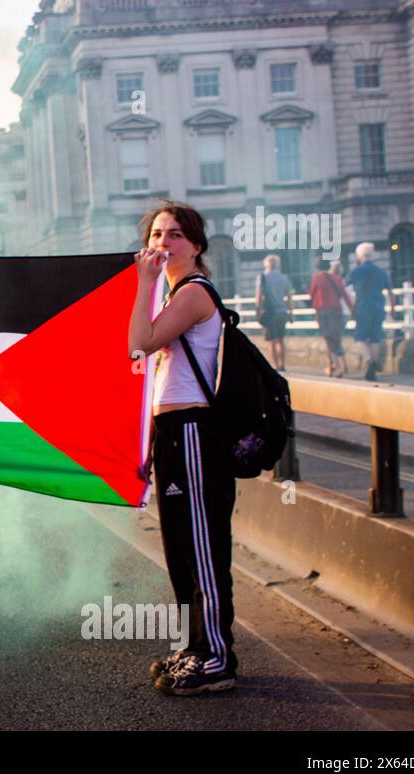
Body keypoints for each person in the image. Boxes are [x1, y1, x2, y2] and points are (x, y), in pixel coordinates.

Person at [128, 201, 238, 696]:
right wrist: (151, 441)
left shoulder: (193, 294)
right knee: (178, 547)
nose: (163, 243)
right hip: (173, 430)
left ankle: (217, 654)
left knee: (201, 545)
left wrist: (144, 284)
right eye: (156, 234)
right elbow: (159, 380)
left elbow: (139, 345)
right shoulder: (174, 293)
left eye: (175, 234)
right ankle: (195, 646)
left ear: (196, 245)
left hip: (196, 430)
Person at [346, 242, 393, 381]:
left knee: (359, 337)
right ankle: (373, 365)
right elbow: (390, 291)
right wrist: (393, 308)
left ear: (360, 256)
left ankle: (368, 360)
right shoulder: (380, 271)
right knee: (375, 337)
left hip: (362, 307)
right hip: (378, 307)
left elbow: (343, 286)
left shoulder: (356, 271)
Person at [309, 259, 353, 377]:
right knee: (336, 338)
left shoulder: (316, 278)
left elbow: (312, 293)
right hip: (336, 311)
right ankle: (341, 365)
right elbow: (344, 295)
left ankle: (334, 366)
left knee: (328, 339)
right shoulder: (336, 278)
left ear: (317, 267)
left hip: (322, 311)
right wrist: (352, 309)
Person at [253, 254, 294, 372]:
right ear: (277, 264)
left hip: (269, 312)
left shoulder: (262, 277)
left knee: (272, 341)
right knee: (281, 340)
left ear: (266, 264)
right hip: (282, 312)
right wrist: (291, 312)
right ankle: (283, 364)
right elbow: (290, 294)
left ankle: (275, 365)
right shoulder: (284, 277)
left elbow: (259, 296)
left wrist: (257, 310)